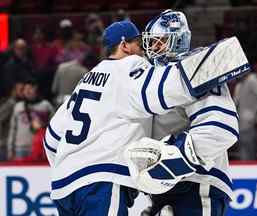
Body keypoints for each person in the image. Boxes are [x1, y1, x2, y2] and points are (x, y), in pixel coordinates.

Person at [44, 20, 208, 215]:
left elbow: (51, 138)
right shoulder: (131, 65)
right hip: (100, 181)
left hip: (63, 186)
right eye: (139, 44)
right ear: (124, 46)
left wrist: (72, 166)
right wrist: (205, 71)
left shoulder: (87, 78)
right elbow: (163, 91)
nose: (145, 50)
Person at [139, 9, 241, 215]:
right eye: (152, 42)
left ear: (178, 40)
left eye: (160, 41)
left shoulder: (199, 70)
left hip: (198, 181)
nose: (153, 48)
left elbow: (220, 128)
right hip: (163, 187)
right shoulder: (152, 78)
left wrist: (172, 162)